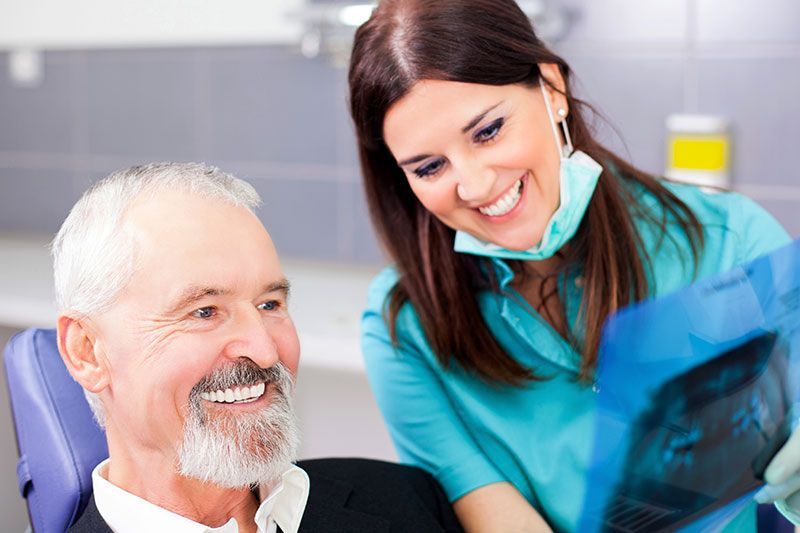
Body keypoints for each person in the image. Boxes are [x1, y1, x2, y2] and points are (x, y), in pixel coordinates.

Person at [347, 0, 798, 531]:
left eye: (488, 131)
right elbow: (494, 513)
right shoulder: (405, 327)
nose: (475, 185)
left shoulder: (732, 245)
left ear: (552, 90)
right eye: (429, 167)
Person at [53, 162, 463, 533]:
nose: (265, 350)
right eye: (204, 311)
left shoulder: (407, 499)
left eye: (270, 304)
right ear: (87, 351)